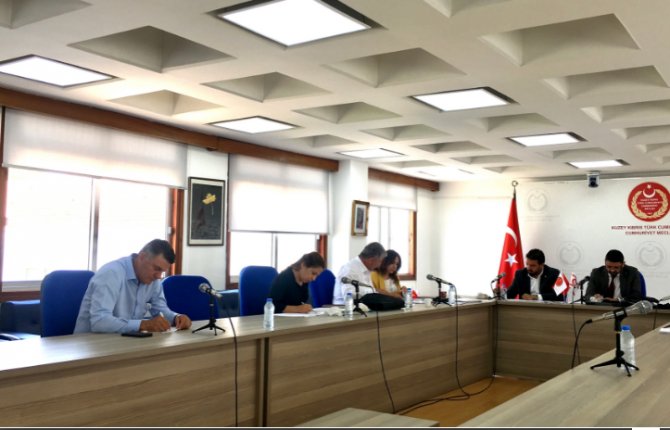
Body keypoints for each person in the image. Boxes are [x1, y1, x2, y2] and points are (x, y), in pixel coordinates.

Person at [74, 239, 192, 334]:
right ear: (142, 257)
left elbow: (160, 311)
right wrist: (143, 324)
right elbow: (99, 321)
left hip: (125, 341)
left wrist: (176, 318)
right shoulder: (111, 273)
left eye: (162, 271)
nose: (158, 276)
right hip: (90, 345)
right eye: (157, 268)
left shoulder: (153, 279)